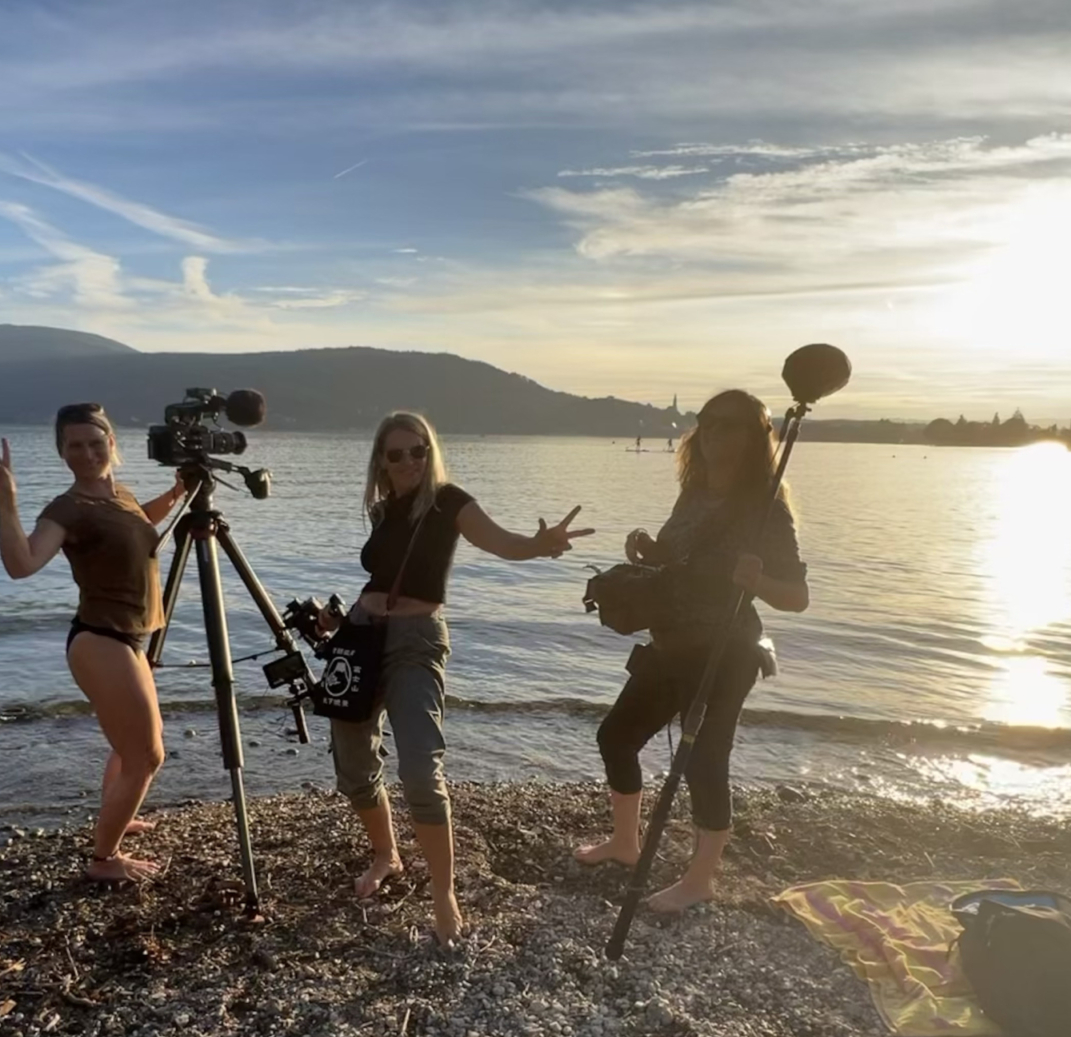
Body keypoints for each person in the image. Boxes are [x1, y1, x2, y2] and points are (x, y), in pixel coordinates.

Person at [321, 410, 592, 944]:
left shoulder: (448, 501)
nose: (408, 462)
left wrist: (540, 544)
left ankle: (443, 892)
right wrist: (342, 618)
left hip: (416, 642)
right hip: (360, 634)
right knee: (352, 762)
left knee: (421, 768)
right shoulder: (382, 509)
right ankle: (386, 855)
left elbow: (502, 542)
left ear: (430, 452)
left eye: (417, 451)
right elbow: (381, 574)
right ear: (381, 459)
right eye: (396, 453)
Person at [577, 389, 811, 912]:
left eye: (729, 425)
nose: (714, 433)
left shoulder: (765, 510)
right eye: (707, 423)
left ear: (755, 437)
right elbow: (683, 565)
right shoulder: (694, 492)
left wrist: (759, 581)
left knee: (705, 761)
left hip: (726, 652)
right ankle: (625, 843)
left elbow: (797, 596)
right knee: (615, 736)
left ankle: (700, 878)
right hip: (670, 642)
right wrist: (651, 550)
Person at [0, 404, 188, 882]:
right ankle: (104, 860)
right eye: (75, 445)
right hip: (100, 640)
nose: (87, 452)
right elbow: (23, 563)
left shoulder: (122, 496)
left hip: (132, 638)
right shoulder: (67, 508)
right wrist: (6, 501)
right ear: (62, 453)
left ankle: (118, 814)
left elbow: (140, 523)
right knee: (147, 756)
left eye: (96, 442)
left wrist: (178, 493)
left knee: (127, 746)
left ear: (112, 444)